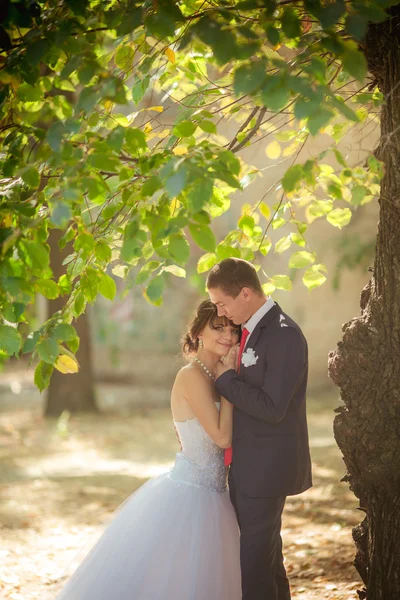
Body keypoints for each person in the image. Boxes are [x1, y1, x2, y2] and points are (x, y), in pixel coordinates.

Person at [52, 299, 242, 600]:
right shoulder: (192, 376)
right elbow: (221, 437)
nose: (227, 336)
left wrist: (228, 379)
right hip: (189, 495)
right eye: (218, 327)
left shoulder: (218, 373)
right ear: (198, 332)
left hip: (219, 494)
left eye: (233, 330)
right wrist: (230, 388)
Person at [207, 258, 312, 600]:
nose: (221, 313)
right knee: (266, 560)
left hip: (267, 469)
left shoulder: (283, 334)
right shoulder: (250, 331)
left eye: (223, 303)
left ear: (246, 293)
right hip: (247, 465)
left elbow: (272, 407)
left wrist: (226, 380)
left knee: (252, 563)